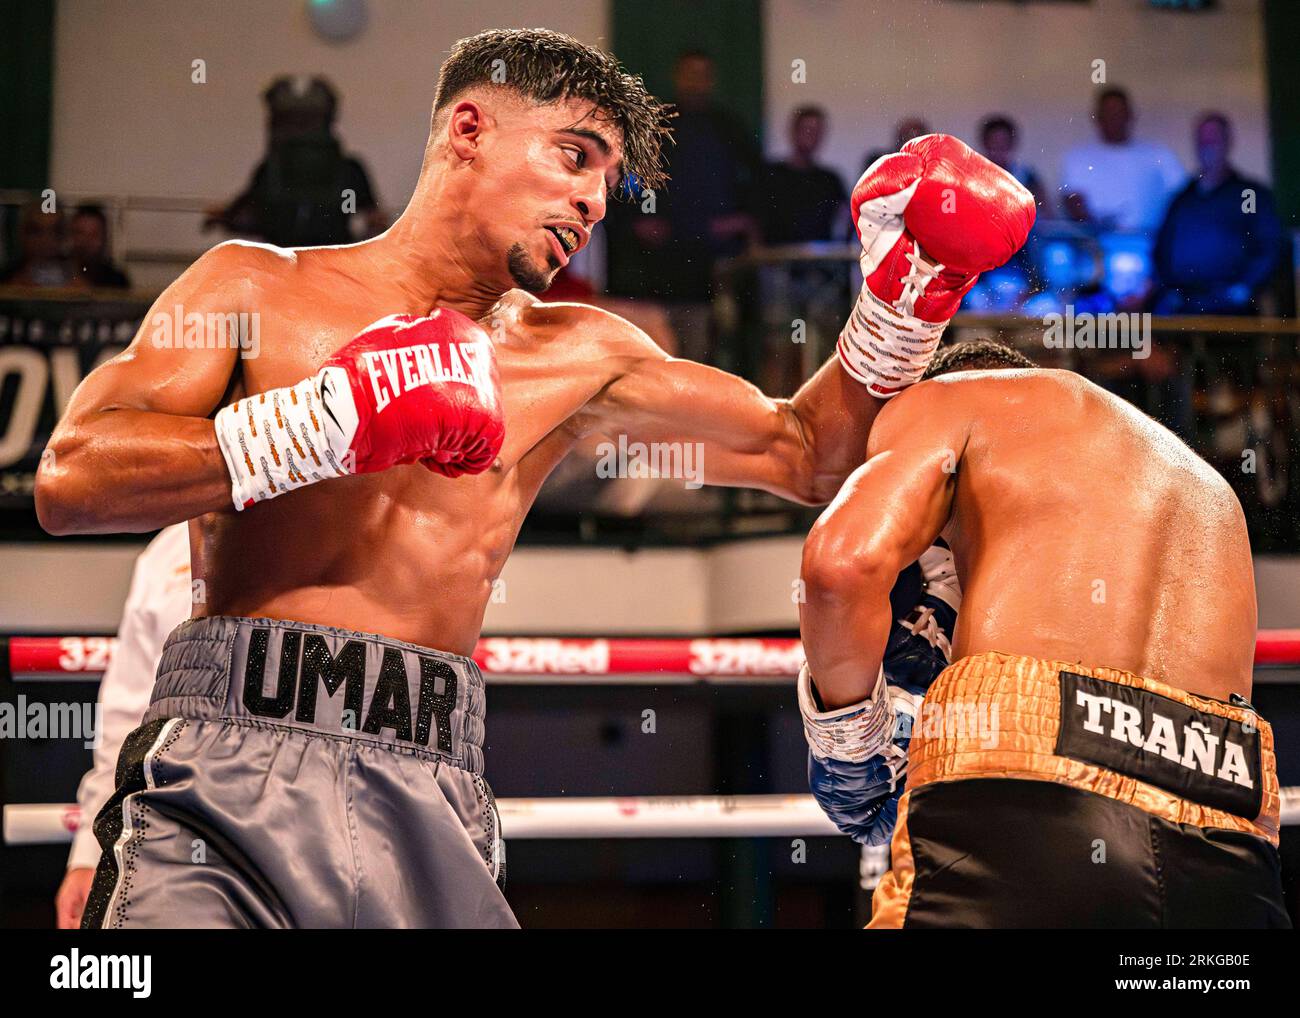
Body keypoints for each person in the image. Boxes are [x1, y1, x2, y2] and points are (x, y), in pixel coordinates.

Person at [36, 28, 1033, 928]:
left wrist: (905, 295)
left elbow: (807, 452)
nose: (595, 201)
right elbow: (72, 479)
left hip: (427, 783)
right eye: (574, 156)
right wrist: (326, 424)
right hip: (220, 770)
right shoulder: (251, 285)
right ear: (469, 129)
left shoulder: (580, 355)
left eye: (607, 181)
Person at [798, 339, 1289, 928]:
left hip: (1024, 789)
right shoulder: (1209, 488)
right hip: (1229, 822)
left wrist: (850, 743)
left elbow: (838, 568)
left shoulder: (938, 402)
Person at [54, 524, 191, 929]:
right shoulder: (169, 550)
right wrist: (89, 852)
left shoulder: (343, 515)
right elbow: (126, 720)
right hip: (173, 834)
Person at [206, 75, 385, 247]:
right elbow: (375, 222)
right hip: (312, 268)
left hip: (299, 267)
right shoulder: (348, 169)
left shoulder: (270, 170)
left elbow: (245, 218)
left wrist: (224, 217)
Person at [1151, 112, 1284, 315]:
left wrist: (1245, 288)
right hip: (1185, 310)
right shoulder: (1182, 199)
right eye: (1202, 141)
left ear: (1228, 143)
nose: (1207, 147)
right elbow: (1162, 250)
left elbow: (1269, 246)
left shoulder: (1249, 194)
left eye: (1213, 140)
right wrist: (1169, 291)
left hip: (1234, 312)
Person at [1060, 87, 1183, 233]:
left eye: (1118, 113)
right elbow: (1073, 202)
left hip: (1150, 244)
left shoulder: (1158, 155)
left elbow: (1181, 197)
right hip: (1096, 247)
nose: (1114, 119)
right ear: (1097, 117)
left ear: (1131, 116)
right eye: (1108, 114)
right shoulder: (1077, 158)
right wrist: (1098, 228)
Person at [69, 204, 131, 289]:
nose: (87, 241)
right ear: (71, 236)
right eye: (81, 234)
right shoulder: (58, 274)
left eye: (94, 235)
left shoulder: (117, 280)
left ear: (104, 239)